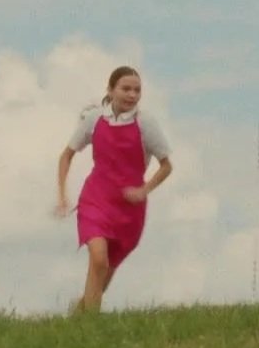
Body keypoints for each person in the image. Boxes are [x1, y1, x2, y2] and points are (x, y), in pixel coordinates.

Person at [54, 65, 174, 314]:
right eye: (126, 89)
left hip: (129, 210)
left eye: (137, 90)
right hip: (96, 198)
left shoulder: (146, 123)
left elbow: (166, 166)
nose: (132, 95)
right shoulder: (94, 119)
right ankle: (91, 323)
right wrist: (62, 195)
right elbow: (66, 155)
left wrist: (144, 190)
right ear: (110, 90)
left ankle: (80, 315)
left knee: (103, 277)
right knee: (98, 258)